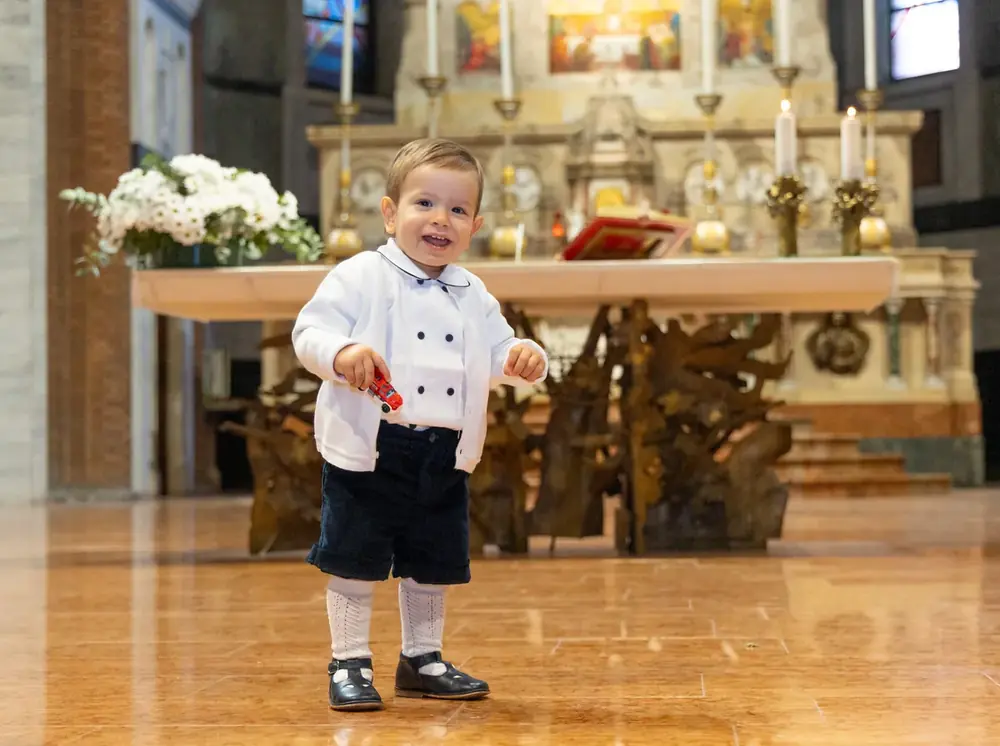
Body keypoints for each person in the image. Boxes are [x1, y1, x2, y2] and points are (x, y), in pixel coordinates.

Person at [292, 138, 548, 711]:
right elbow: (308, 333)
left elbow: (499, 350)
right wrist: (342, 354)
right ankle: (350, 661)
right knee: (355, 555)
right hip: (373, 446)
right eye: (425, 204)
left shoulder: (472, 291)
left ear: (475, 225)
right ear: (390, 213)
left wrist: (523, 356)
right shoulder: (361, 275)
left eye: (458, 210)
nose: (441, 220)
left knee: (432, 560)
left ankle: (422, 657)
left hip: (444, 453)